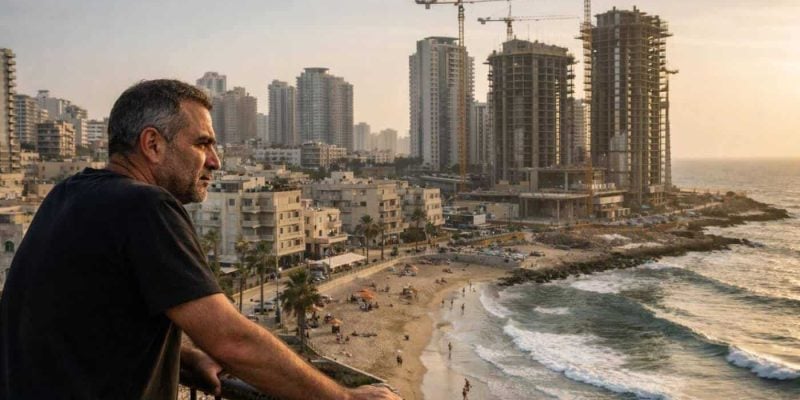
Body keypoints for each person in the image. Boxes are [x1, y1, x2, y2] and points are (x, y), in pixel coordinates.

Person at [0, 80, 398, 400]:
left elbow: (78, 327)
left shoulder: (69, 194)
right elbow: (232, 340)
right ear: (152, 145)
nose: (215, 161)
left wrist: (186, 359)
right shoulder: (144, 206)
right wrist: (344, 398)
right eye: (203, 143)